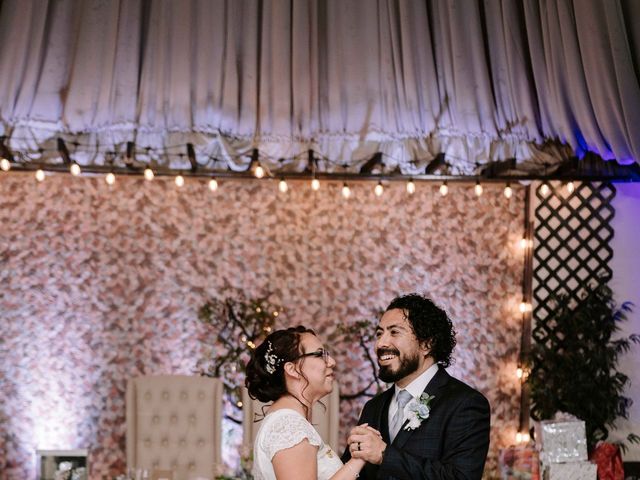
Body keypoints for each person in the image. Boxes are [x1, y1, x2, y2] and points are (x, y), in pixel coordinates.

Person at [342, 294, 491, 479]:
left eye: (394, 332)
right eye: (379, 334)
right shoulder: (373, 408)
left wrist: (384, 455)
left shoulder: (466, 404)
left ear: (426, 344)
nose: (380, 343)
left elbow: (461, 477)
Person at [246, 326, 366, 480]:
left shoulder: (287, 421)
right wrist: (358, 460)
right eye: (319, 354)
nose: (332, 362)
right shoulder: (289, 426)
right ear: (292, 369)